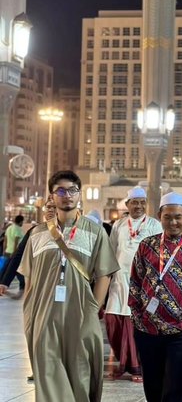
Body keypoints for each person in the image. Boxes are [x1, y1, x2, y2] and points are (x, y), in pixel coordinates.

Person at [18, 170, 119, 402]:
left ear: (79, 194)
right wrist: (30, 316)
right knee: (48, 370)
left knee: (80, 371)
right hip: (44, 313)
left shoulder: (94, 231)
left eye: (72, 190)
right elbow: (30, 279)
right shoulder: (37, 234)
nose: (67, 196)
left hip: (81, 311)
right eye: (60, 191)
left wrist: (93, 309)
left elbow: (105, 274)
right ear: (51, 196)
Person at [129, 192, 182, 402]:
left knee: (176, 386)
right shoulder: (146, 245)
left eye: (178, 216)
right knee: (152, 385)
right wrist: (137, 315)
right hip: (148, 327)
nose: (173, 222)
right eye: (168, 217)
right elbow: (135, 282)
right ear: (160, 216)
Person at [104, 186, 163, 382]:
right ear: (127, 205)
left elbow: (160, 254)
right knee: (114, 321)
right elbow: (111, 251)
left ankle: (137, 368)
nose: (138, 206)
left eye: (142, 202)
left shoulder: (154, 225)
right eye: (134, 202)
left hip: (143, 282)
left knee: (136, 324)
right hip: (119, 280)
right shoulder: (119, 225)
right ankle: (121, 363)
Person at [0, 198, 56, 298]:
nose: (51, 210)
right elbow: (18, 255)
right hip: (39, 285)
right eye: (48, 207)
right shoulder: (34, 232)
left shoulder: (70, 232)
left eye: (54, 207)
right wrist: (5, 282)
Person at [3, 215, 25, 298]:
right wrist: (15, 252)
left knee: (7, 269)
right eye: (22, 221)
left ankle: (3, 284)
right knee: (18, 270)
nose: (22, 223)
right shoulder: (18, 229)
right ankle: (22, 287)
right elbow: (17, 241)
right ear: (20, 221)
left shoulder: (9, 228)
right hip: (14, 253)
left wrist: (4, 250)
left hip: (8, 251)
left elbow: (5, 239)